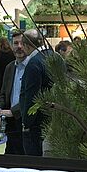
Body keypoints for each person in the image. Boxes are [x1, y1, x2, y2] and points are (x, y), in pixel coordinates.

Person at [20, 28, 53, 156]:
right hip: (53, 117)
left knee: (34, 162)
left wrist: (26, 122)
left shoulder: (34, 64)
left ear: (26, 45)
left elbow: (32, 96)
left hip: (36, 123)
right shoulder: (54, 56)